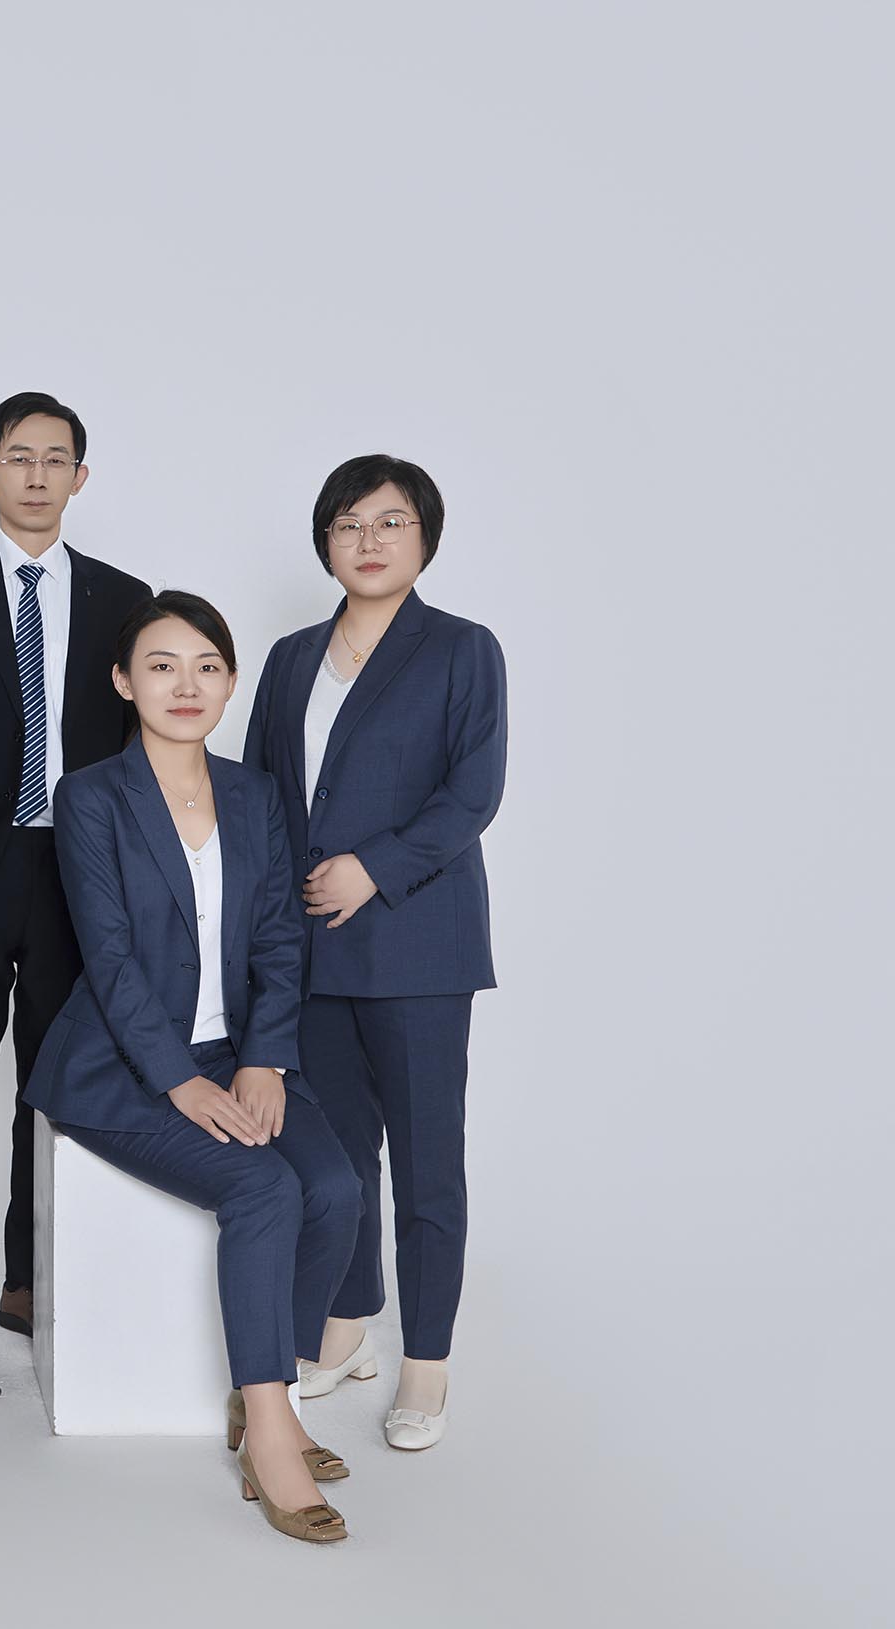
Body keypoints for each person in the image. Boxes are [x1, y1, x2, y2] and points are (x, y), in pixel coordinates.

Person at [25, 591, 360, 1543]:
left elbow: (281, 939)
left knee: (335, 1190)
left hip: (240, 1051)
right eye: (162, 665)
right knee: (263, 1188)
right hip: (123, 1066)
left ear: (230, 682)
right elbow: (110, 957)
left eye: (207, 665)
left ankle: (264, 1392)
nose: (186, 684)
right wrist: (182, 1079)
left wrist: (265, 1060)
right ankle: (273, 1434)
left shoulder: (256, 794)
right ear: (124, 681)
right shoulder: (91, 795)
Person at [241, 455, 507, 1452]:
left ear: (424, 538)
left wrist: (372, 869)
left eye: (390, 522)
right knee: (339, 1158)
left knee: (428, 1164)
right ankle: (348, 1322)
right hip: (312, 952)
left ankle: (426, 1360)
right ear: (325, 540)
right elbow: (263, 796)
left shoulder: (462, 649)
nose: (368, 540)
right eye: (349, 523)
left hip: (419, 947)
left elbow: (472, 792)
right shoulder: (289, 657)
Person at [0, 392, 151, 1387]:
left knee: (59, 1085)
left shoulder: (126, 596)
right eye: (18, 457)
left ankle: (31, 1278)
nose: (36, 475)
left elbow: (137, 747)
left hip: (78, 875)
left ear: (80, 478)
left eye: (55, 459)